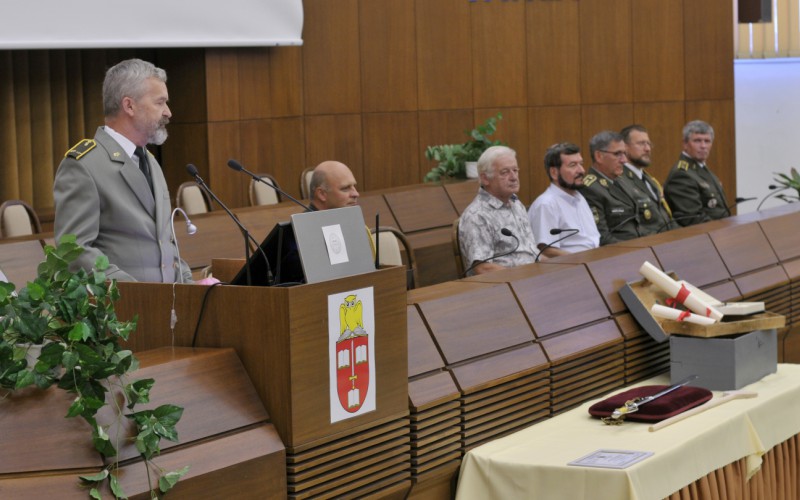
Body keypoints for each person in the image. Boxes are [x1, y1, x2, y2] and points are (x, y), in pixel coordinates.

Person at [53, 58, 192, 283]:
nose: (168, 112)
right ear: (129, 106)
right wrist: (134, 294)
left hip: (168, 307)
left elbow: (165, 243)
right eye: (160, 102)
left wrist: (190, 286)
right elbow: (74, 251)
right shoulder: (84, 165)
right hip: (124, 311)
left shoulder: (150, 161)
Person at [458, 145, 538, 275]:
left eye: (515, 170)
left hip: (532, 280)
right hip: (503, 288)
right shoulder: (477, 215)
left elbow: (532, 254)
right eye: (505, 172)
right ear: (485, 178)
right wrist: (525, 276)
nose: (513, 177)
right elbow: (482, 268)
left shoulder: (516, 204)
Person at [528, 142, 599, 258]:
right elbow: (546, 250)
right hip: (570, 269)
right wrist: (583, 261)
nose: (581, 170)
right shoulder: (546, 204)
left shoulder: (580, 198)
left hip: (594, 262)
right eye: (573, 165)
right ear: (554, 173)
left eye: (581, 164)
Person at [581, 131, 653, 245]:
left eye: (624, 153)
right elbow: (602, 238)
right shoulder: (590, 188)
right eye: (617, 154)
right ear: (599, 156)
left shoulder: (622, 180)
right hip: (620, 255)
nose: (624, 160)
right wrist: (638, 249)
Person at [664, 120, 729, 226]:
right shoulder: (681, 175)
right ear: (685, 144)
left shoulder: (701, 168)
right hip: (702, 237)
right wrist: (724, 231)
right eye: (697, 141)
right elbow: (693, 218)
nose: (703, 146)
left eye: (707, 141)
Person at [620, 124, 679, 232]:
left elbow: (667, 218)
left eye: (648, 144)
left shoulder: (650, 180)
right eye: (641, 144)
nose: (647, 149)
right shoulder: (621, 181)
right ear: (625, 147)